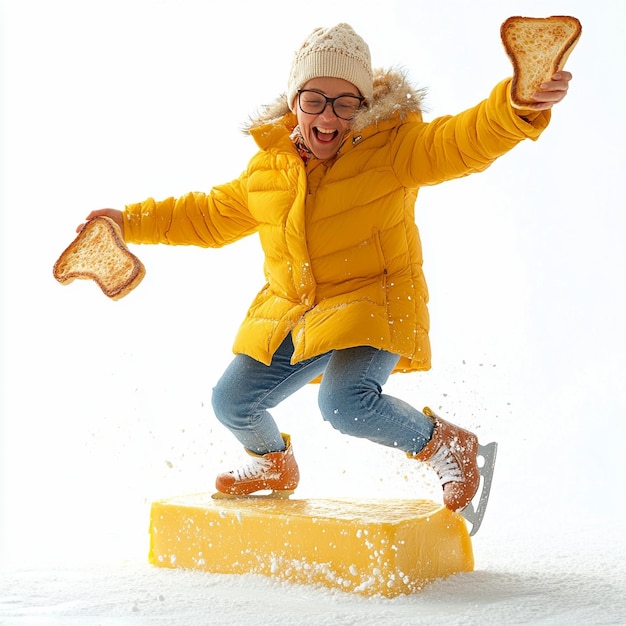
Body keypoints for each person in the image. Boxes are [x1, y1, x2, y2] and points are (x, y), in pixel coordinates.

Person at [80, 23, 572, 526]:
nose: (329, 116)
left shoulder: (395, 149)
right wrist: (129, 221)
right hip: (299, 309)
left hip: (375, 301)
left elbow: (463, 139)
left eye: (346, 103)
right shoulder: (267, 171)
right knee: (231, 401)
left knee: (344, 405)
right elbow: (206, 215)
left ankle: (448, 446)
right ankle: (272, 463)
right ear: (294, 102)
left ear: (364, 107)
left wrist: (518, 106)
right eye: (315, 100)